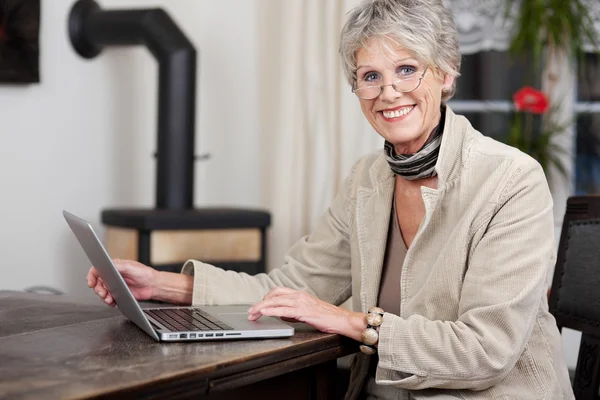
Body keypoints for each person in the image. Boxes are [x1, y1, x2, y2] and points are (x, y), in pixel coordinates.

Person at [87, 0, 575, 398]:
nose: (389, 92)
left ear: (446, 74)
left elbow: (486, 351)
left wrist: (350, 321)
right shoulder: (367, 179)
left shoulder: (511, 179)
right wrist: (165, 287)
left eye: (407, 69)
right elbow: (291, 286)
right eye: (370, 76)